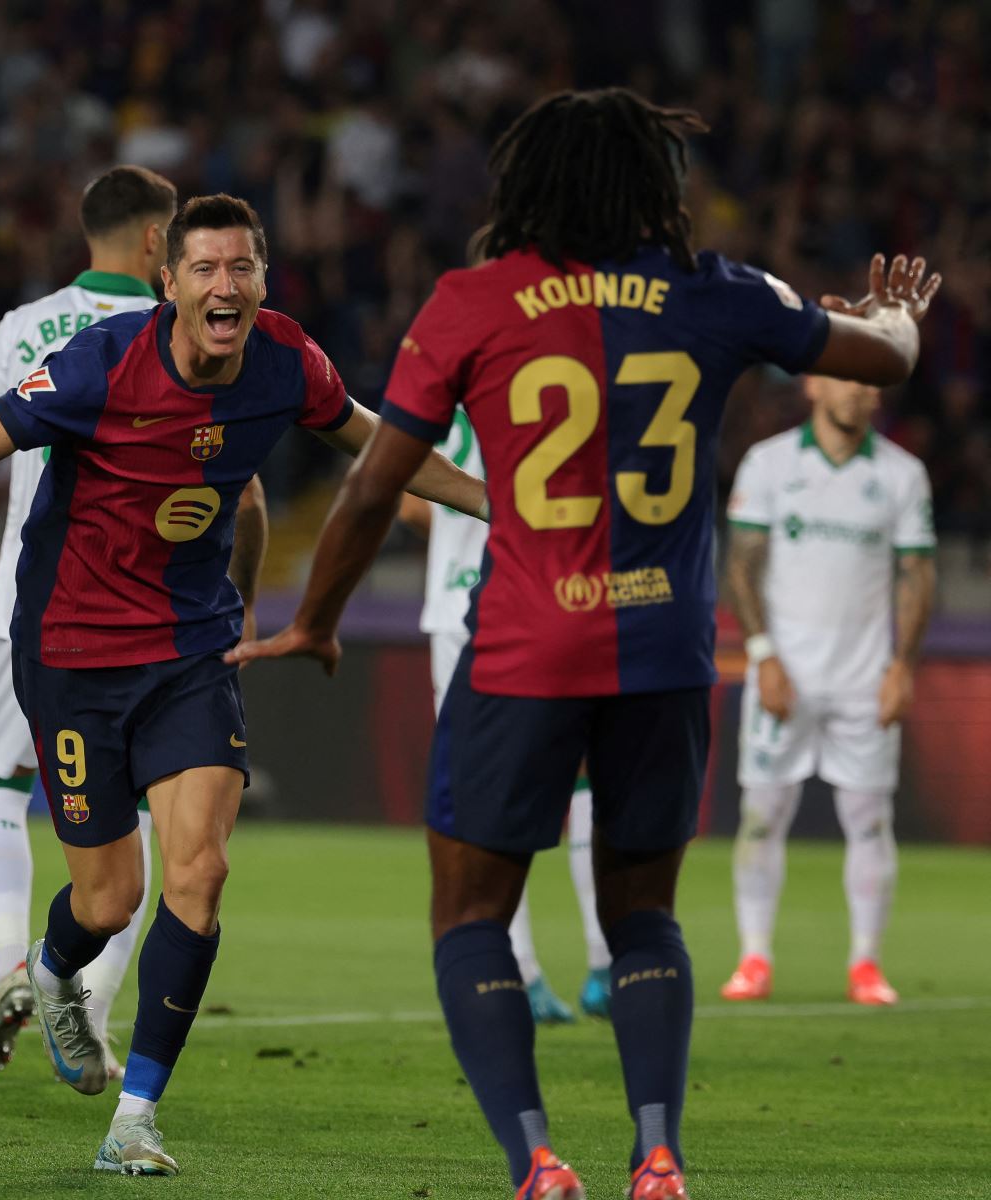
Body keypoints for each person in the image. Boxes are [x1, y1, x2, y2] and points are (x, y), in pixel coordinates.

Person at [232, 88, 939, 1200]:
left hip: (523, 652)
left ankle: (537, 1162)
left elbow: (374, 485)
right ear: (655, 190)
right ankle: (657, 1155)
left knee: (470, 915)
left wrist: (315, 619)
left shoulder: (472, 301)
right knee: (643, 914)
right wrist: (898, 321)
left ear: (528, 186)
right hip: (663, 653)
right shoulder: (720, 294)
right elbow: (882, 359)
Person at [0, 194, 487, 1175]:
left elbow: (385, 446)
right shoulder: (102, 364)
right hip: (71, 653)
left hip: (190, 655)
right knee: (109, 898)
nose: (225, 286)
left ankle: (136, 1118)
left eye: (242, 268)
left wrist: (505, 509)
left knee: (198, 872)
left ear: (263, 282)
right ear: (169, 283)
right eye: (204, 269)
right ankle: (56, 968)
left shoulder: (291, 362)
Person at [0, 165, 178, 1079]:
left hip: (25, 612)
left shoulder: (21, 329)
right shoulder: (177, 332)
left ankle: (5, 969)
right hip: (150, 621)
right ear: (157, 240)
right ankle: (95, 1013)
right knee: (137, 813)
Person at [720, 375, 936, 1006]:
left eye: (873, 382)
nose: (862, 392)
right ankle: (754, 956)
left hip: (862, 678)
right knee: (762, 817)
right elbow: (741, 564)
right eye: (848, 378)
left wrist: (902, 666)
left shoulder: (901, 475)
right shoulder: (770, 463)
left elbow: (917, 573)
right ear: (813, 385)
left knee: (869, 820)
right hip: (784, 671)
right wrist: (761, 655)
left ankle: (865, 964)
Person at [398, 423, 613, 1023]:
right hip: (545, 601)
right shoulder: (560, 389)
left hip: (463, 609)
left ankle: (524, 970)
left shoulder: (444, 399)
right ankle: (597, 965)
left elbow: (406, 501)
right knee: (581, 773)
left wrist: (460, 535)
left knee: (493, 787)